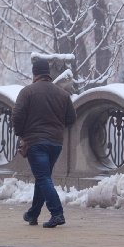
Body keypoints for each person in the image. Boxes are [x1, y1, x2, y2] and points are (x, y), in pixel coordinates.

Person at [13, 55, 76, 228]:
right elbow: (71, 118)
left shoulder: (27, 92)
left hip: (35, 142)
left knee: (43, 178)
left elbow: (17, 116)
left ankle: (57, 213)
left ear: (35, 74)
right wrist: (56, 128)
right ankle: (33, 214)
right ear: (48, 73)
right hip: (56, 143)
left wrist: (22, 134)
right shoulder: (62, 94)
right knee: (43, 177)